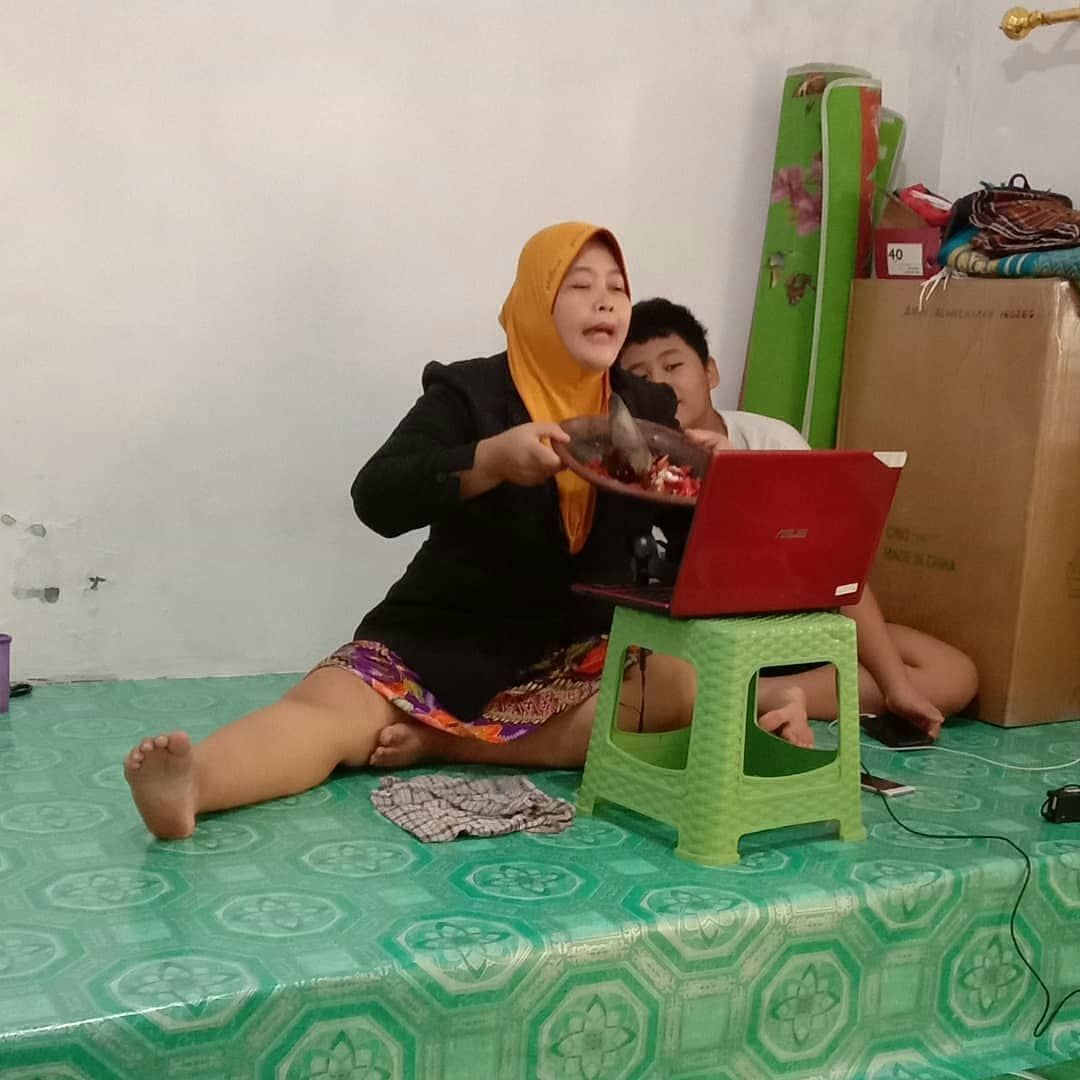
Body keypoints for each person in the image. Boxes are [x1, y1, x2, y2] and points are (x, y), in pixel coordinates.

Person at [124, 224, 813, 840]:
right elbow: (376, 497)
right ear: (534, 301)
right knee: (326, 713)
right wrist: (487, 462)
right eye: (580, 286)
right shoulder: (470, 393)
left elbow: (687, 555)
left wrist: (715, 486)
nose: (605, 301)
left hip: (582, 650)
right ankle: (194, 784)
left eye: (617, 287)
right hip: (446, 640)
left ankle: (453, 742)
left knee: (680, 686)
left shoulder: (646, 408)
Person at [618, 297, 979, 736]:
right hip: (700, 643)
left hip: (796, 627)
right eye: (640, 377)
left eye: (673, 366)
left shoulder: (770, 440)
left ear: (710, 372)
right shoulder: (625, 465)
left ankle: (754, 694)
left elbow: (833, 565)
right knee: (649, 686)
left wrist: (896, 686)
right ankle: (754, 693)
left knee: (954, 674)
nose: (660, 384)